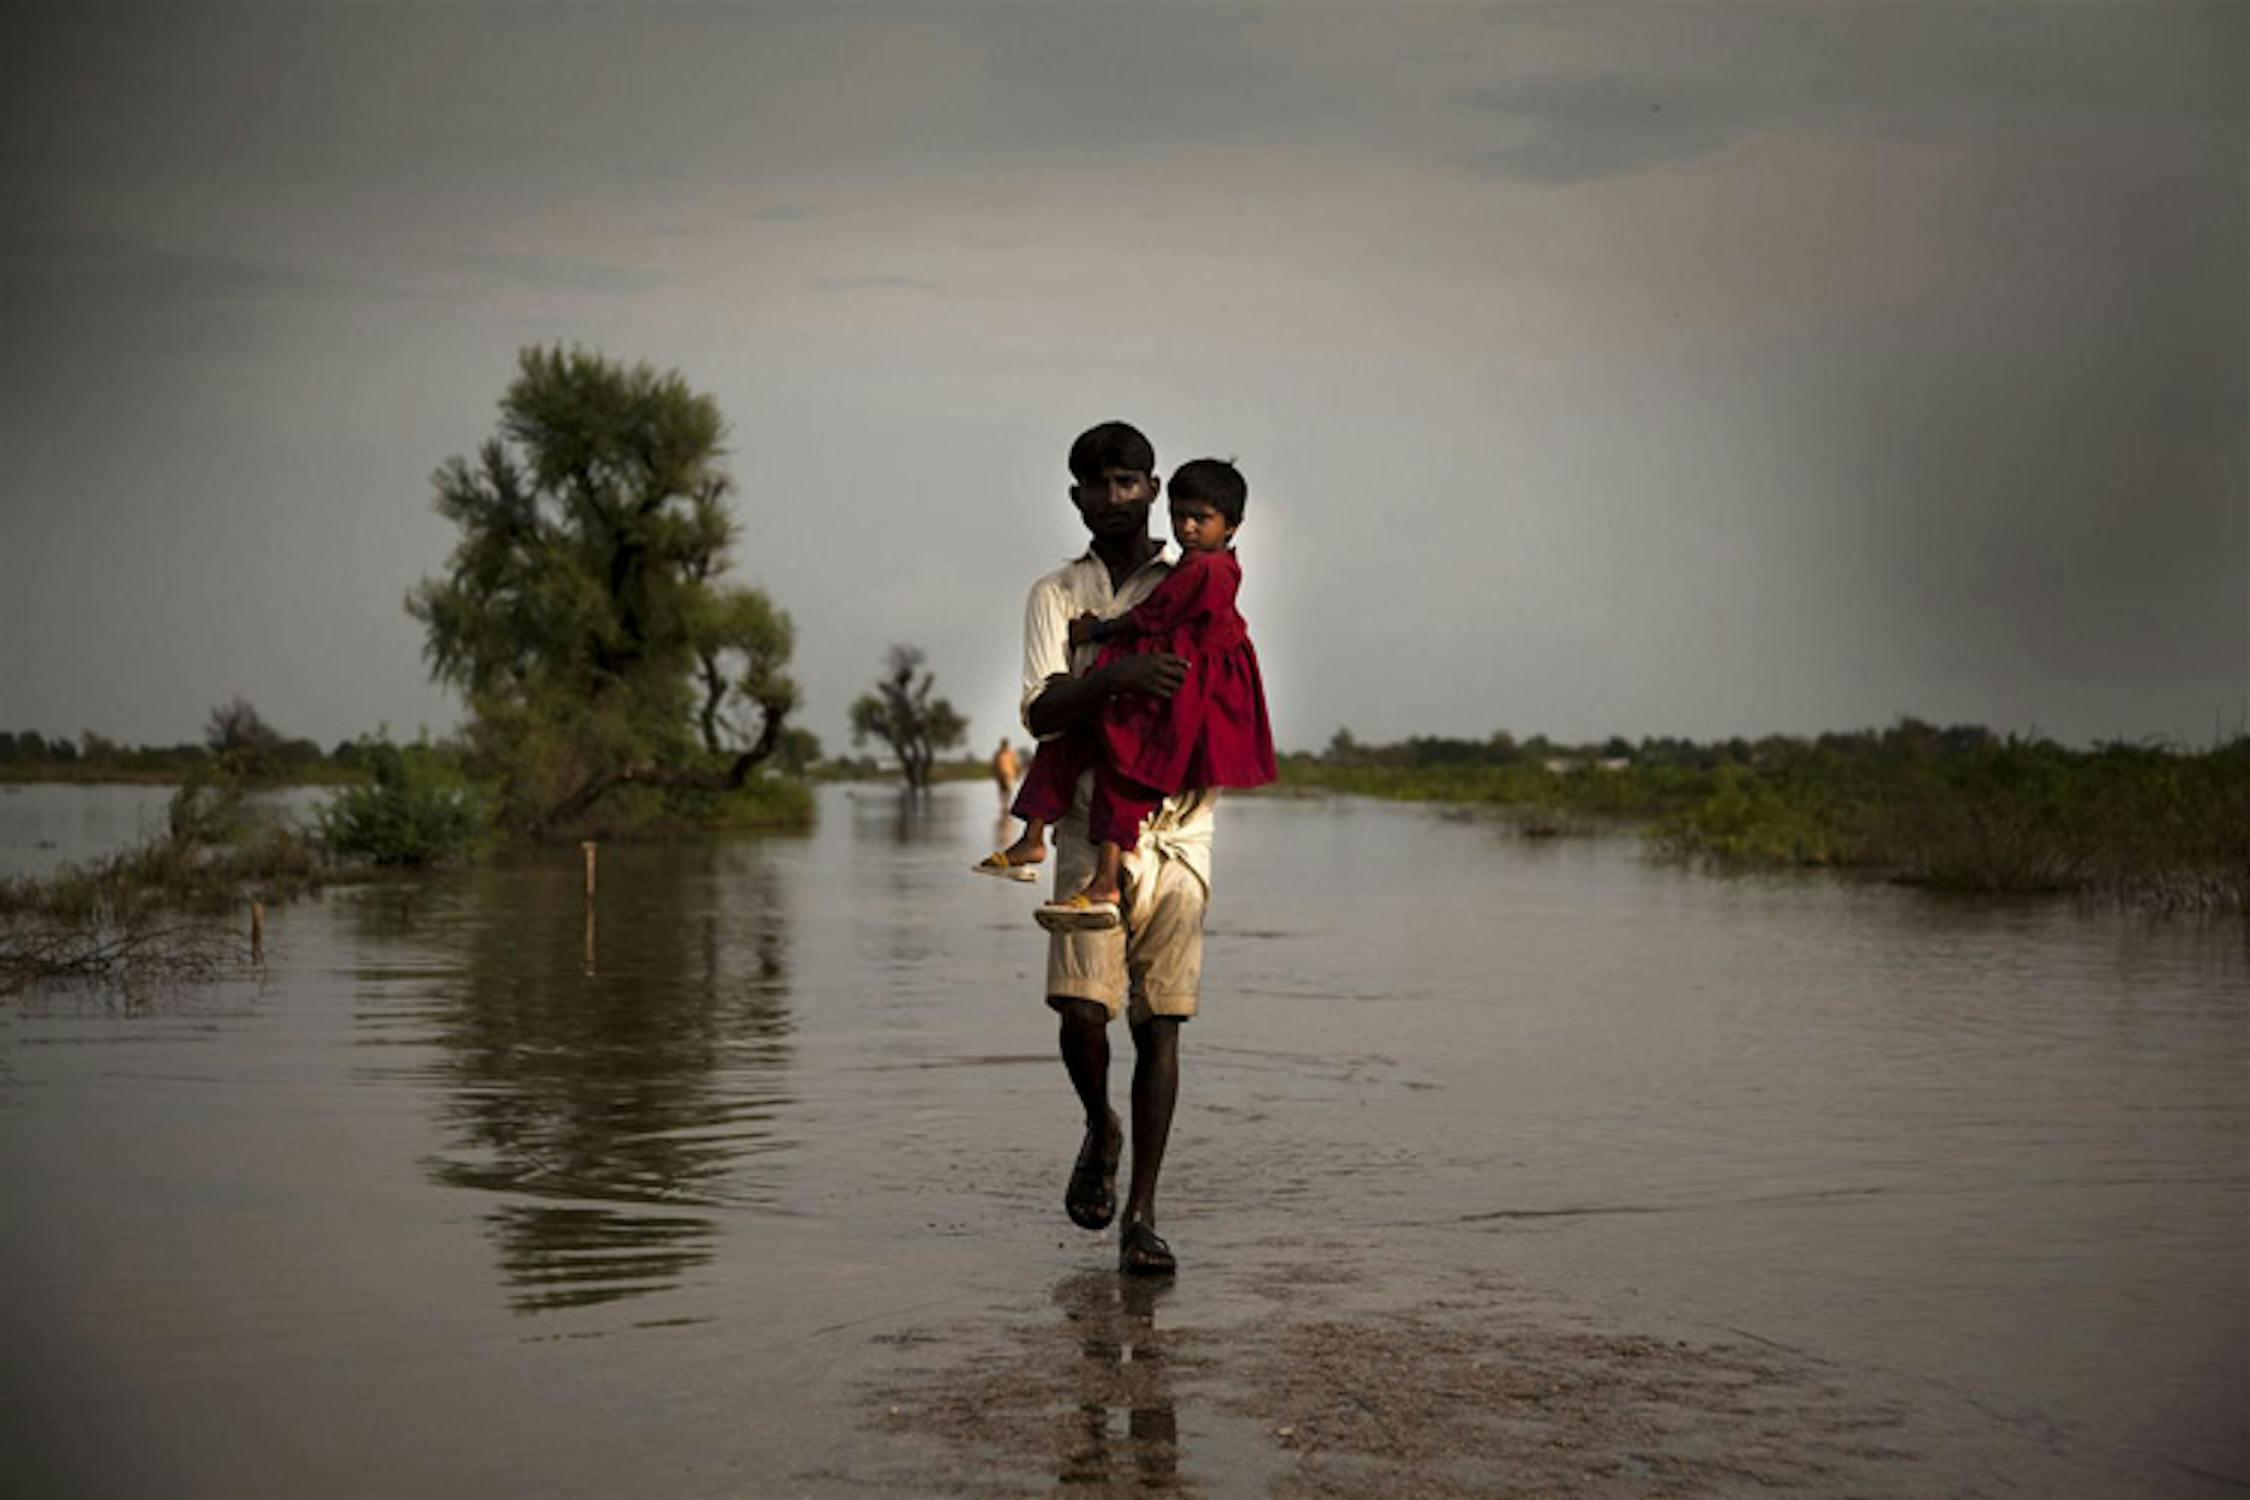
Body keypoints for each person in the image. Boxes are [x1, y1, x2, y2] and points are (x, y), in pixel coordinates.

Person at [1010, 419, 1209, 1276]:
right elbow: (1041, 711)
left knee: (1160, 1020)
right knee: (1081, 1012)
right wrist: (1118, 676)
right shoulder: (1056, 593)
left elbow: (1222, 683)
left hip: (1179, 826)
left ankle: (1143, 1215)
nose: (1114, 498)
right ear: (1076, 498)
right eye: (1099, 485)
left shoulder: (1197, 580)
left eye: (1130, 482)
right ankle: (1101, 1122)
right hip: (1089, 822)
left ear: (1154, 489)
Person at [988, 459, 1273, 925]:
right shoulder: (1058, 589)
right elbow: (1043, 713)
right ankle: (1037, 838)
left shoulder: (1202, 572)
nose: (1187, 527)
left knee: (1123, 772)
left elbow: (1152, 616)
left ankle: (1099, 878)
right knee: (1069, 745)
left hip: (1173, 708)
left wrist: (1099, 632)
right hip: (1142, 694)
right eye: (1181, 516)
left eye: (1200, 518)